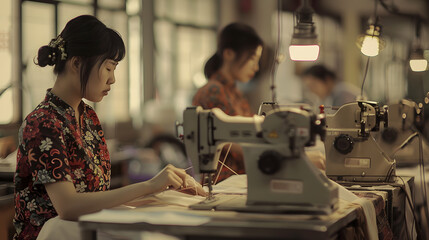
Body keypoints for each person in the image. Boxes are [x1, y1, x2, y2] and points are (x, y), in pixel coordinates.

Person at [13, 15, 205, 240]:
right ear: (76, 63)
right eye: (108, 68)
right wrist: (149, 185)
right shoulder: (42, 122)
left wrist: (163, 192)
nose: (112, 79)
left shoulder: (88, 118)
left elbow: (96, 200)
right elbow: (69, 207)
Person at [192, 23, 264, 183]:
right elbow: (239, 145)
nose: (256, 67)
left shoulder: (234, 93)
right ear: (229, 54)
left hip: (237, 181)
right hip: (224, 182)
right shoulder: (212, 92)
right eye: (252, 59)